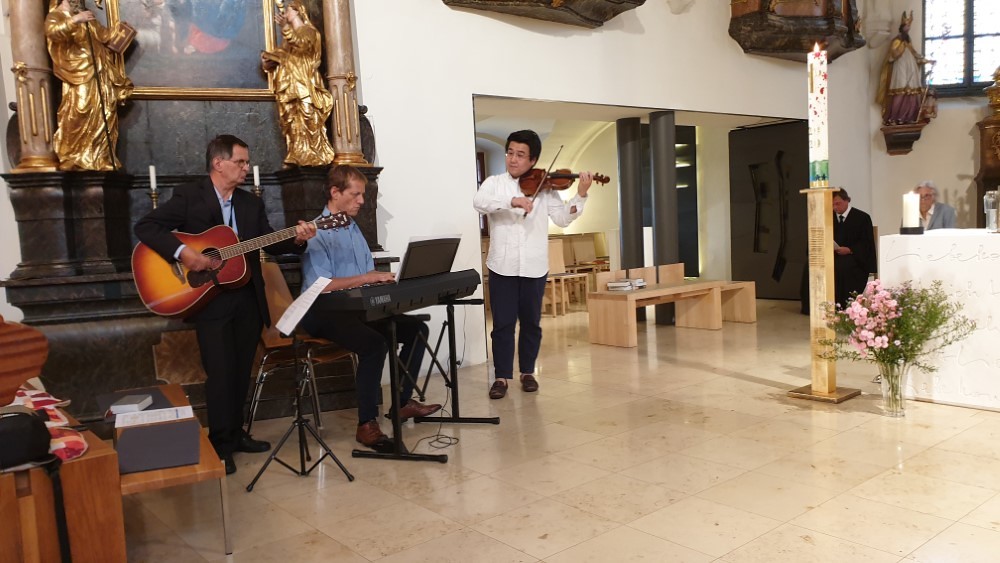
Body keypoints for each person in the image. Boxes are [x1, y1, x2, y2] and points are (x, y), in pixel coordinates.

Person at [134, 135, 317, 474]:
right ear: (219, 163)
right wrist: (185, 253)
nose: (247, 168)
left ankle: (236, 434)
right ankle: (219, 443)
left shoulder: (250, 204)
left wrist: (297, 239)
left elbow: (269, 242)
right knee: (220, 374)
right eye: (240, 162)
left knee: (241, 371)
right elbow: (146, 227)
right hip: (209, 300)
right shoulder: (190, 196)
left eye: (247, 162)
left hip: (247, 297)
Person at [299, 165, 441, 449]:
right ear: (335, 192)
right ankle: (366, 424)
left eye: (362, 194)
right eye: (355, 194)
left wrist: (389, 281)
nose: (362, 201)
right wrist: (368, 278)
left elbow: (365, 276)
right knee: (374, 344)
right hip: (322, 310)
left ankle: (401, 403)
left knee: (416, 330)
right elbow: (322, 286)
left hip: (354, 307)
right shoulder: (316, 231)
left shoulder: (352, 227)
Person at [473, 130, 594, 399]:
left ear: (533, 160)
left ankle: (528, 372)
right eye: (510, 153)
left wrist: (580, 195)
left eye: (520, 155)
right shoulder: (494, 183)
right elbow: (479, 203)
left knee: (531, 323)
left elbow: (562, 219)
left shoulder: (546, 188)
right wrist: (512, 200)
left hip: (534, 266)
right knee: (502, 325)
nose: (513, 159)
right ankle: (502, 377)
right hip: (502, 266)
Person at [45, 0, 134, 171]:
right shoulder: (56, 16)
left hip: (99, 72)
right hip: (78, 74)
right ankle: (74, 155)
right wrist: (75, 20)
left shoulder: (86, 16)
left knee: (104, 112)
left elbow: (104, 36)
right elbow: (53, 32)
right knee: (80, 110)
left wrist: (122, 31)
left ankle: (100, 157)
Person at [261, 0, 335, 168]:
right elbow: (284, 54)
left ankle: (314, 153)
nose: (286, 12)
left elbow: (302, 44)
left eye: (289, 10)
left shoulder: (310, 31)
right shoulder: (289, 39)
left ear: (298, 11)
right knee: (291, 120)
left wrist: (286, 28)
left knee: (308, 117)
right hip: (289, 84)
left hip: (305, 83)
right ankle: (297, 152)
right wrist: (269, 60)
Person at [876, 11, 931, 125]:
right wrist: (901, 46)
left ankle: (908, 116)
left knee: (911, 91)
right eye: (906, 26)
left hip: (910, 66)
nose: (908, 28)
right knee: (899, 90)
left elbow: (914, 52)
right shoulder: (897, 40)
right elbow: (893, 54)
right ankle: (894, 117)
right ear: (902, 27)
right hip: (900, 66)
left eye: (909, 26)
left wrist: (925, 60)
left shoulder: (908, 40)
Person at [832, 189, 876, 308]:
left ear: (847, 200)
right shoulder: (829, 218)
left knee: (842, 266)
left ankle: (844, 304)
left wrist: (850, 250)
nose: (835, 207)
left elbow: (866, 243)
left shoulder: (862, 218)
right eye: (832, 205)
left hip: (856, 258)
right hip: (834, 255)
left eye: (838, 203)